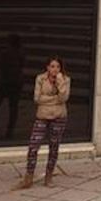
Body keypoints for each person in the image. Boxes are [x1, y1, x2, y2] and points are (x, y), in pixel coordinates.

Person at [15, 56, 70, 189]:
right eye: (52, 66)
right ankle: (28, 177)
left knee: (54, 147)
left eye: (57, 67)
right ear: (47, 67)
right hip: (42, 116)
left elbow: (64, 98)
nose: (55, 69)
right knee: (33, 146)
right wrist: (55, 99)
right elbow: (37, 98)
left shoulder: (65, 79)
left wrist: (59, 82)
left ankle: (49, 177)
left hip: (58, 117)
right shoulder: (40, 78)